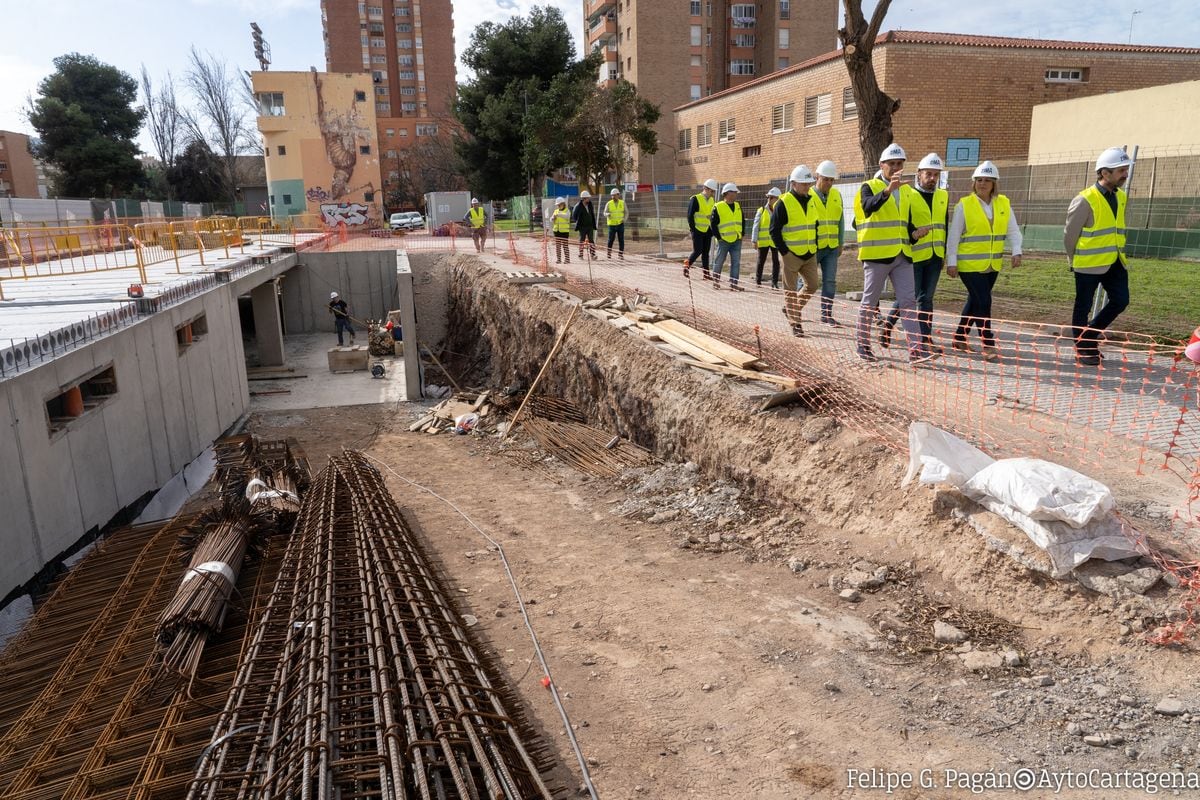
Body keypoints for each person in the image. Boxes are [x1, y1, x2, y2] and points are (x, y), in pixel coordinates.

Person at [852, 143, 933, 364]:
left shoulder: (907, 191)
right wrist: (888, 191)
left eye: (900, 164)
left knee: (908, 302)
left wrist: (915, 233)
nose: (896, 167)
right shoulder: (868, 186)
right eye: (892, 164)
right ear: (882, 165)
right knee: (869, 302)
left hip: (902, 255)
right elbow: (869, 207)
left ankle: (916, 350)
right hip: (877, 255)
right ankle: (863, 346)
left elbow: (901, 223)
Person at [945, 160, 1023, 362]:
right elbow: (954, 235)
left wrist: (1017, 251)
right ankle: (987, 342)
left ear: (994, 183)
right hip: (969, 264)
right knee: (984, 301)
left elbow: (1013, 230)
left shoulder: (1004, 203)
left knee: (975, 300)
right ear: (973, 182)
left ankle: (959, 337)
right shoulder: (965, 205)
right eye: (979, 180)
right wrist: (951, 261)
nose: (982, 183)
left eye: (987, 180)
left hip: (992, 264)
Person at [1065, 147, 1133, 366]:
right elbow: (1070, 234)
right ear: (1105, 173)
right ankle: (1083, 349)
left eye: (1125, 170)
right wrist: (1072, 260)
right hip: (1088, 262)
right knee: (1082, 306)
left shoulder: (1121, 197)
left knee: (1121, 300)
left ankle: (1088, 337)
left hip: (1115, 261)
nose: (1125, 174)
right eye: (1121, 170)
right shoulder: (1084, 199)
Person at [881, 153, 949, 352]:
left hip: (935, 256)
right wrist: (913, 235)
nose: (932, 179)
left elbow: (944, 224)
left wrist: (943, 253)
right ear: (919, 174)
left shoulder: (943, 196)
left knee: (926, 299)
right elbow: (904, 224)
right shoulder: (908, 194)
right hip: (914, 255)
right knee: (908, 299)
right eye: (929, 174)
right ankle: (888, 326)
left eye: (936, 175)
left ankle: (926, 338)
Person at [771, 165, 820, 336]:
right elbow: (774, 230)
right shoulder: (783, 202)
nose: (807, 186)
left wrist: (816, 244)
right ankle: (795, 323)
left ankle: (791, 309)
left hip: (810, 253)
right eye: (804, 183)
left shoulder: (812, 199)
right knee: (790, 290)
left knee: (813, 285)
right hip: (791, 254)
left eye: (809, 183)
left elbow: (815, 224)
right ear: (793, 184)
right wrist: (784, 252)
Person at [811, 160, 844, 326]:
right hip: (814, 247)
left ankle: (826, 314)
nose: (829, 183)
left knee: (830, 281)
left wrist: (841, 242)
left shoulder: (837, 195)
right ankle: (793, 308)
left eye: (832, 180)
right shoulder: (809, 195)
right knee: (807, 282)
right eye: (826, 179)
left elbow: (841, 220)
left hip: (831, 247)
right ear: (817, 177)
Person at [709, 183, 745, 290]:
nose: (735, 194)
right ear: (727, 193)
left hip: (736, 239)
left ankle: (734, 284)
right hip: (723, 240)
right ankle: (716, 281)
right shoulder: (718, 206)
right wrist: (718, 237)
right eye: (734, 192)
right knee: (719, 261)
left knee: (736, 263)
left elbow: (742, 221)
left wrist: (742, 234)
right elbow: (713, 224)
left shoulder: (738, 206)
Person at [684, 179, 719, 278]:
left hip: (708, 230)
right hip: (697, 230)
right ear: (705, 188)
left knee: (705, 253)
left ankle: (706, 273)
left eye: (713, 191)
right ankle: (686, 266)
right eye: (711, 191)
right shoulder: (695, 199)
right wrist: (693, 229)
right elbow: (690, 216)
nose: (712, 193)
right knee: (697, 250)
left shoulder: (712, 200)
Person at [751, 187, 782, 288]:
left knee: (776, 262)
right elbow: (756, 226)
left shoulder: (780, 211)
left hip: (775, 241)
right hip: (763, 241)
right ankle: (758, 281)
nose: (769, 199)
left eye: (772, 197)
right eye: (769, 197)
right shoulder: (762, 210)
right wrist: (754, 240)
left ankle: (774, 282)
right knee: (761, 261)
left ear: (778, 199)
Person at [572, 190, 597, 260]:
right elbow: (574, 216)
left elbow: (592, 214)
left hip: (590, 226)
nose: (589, 199)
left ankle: (593, 255)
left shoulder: (590, 204)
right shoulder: (578, 206)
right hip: (582, 227)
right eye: (587, 198)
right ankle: (580, 255)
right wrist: (579, 222)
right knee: (581, 241)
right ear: (584, 198)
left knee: (591, 240)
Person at [604, 188, 626, 260]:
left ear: (618, 195)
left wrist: (624, 219)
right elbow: (604, 212)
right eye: (612, 195)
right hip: (612, 225)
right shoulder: (609, 203)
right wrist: (607, 214)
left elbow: (627, 212)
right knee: (610, 240)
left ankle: (620, 255)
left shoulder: (622, 203)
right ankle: (609, 254)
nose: (613, 197)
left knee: (621, 240)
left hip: (620, 224)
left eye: (614, 195)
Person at [551, 197, 571, 264]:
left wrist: (559, 214)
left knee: (565, 246)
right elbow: (551, 219)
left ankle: (567, 259)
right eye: (557, 205)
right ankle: (558, 259)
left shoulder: (567, 211)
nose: (558, 206)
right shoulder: (556, 211)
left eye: (559, 204)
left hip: (564, 232)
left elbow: (567, 216)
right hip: (557, 231)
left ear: (563, 204)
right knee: (558, 246)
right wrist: (553, 218)